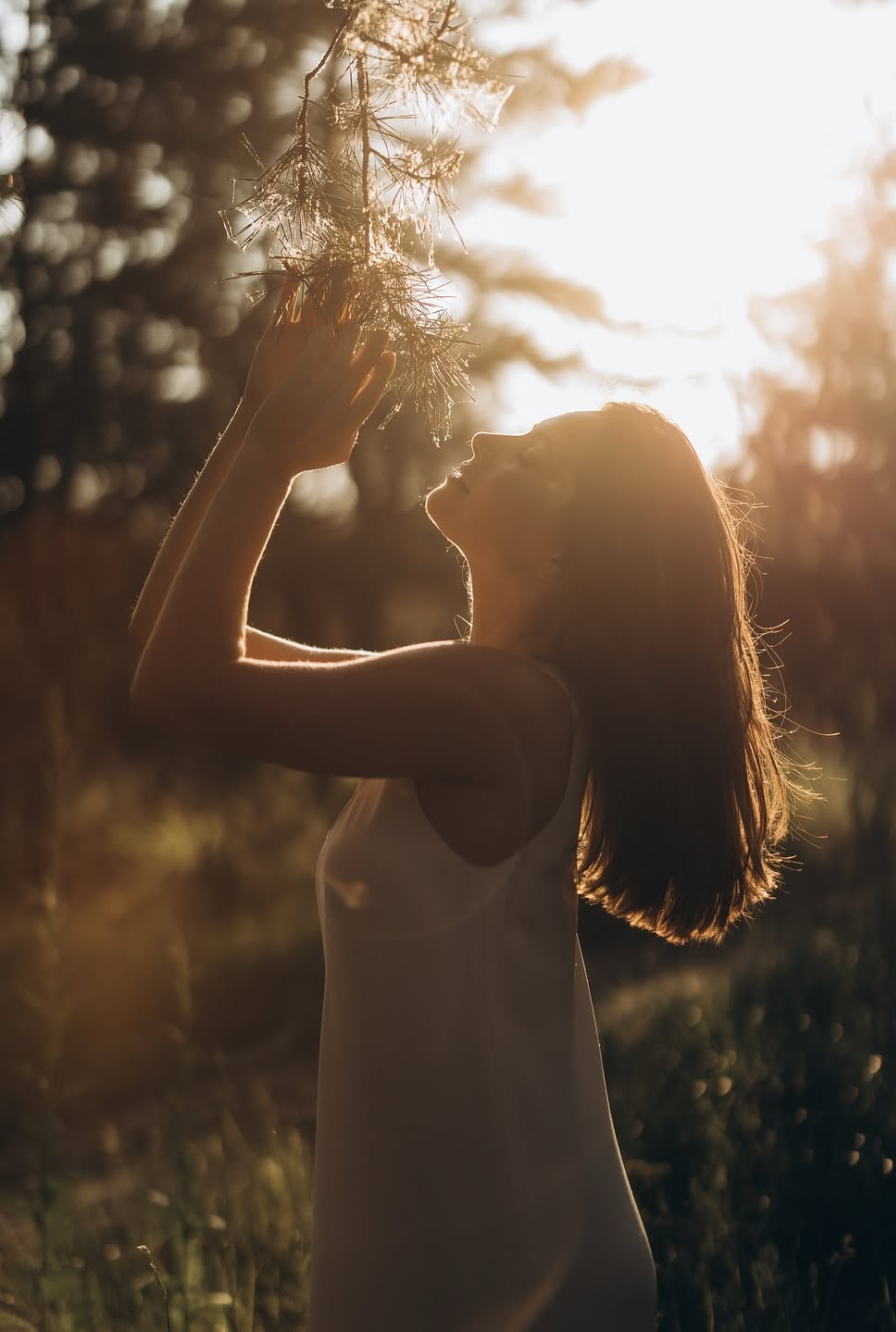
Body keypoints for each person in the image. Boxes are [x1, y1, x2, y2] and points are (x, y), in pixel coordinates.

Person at [129, 271, 811, 1330]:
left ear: (563, 553)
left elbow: (177, 678)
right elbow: (166, 640)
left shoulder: (497, 707)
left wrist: (273, 451)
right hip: (494, 1267)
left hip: (515, 1283)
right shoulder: (470, 697)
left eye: (531, 460)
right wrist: (255, 419)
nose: (491, 446)